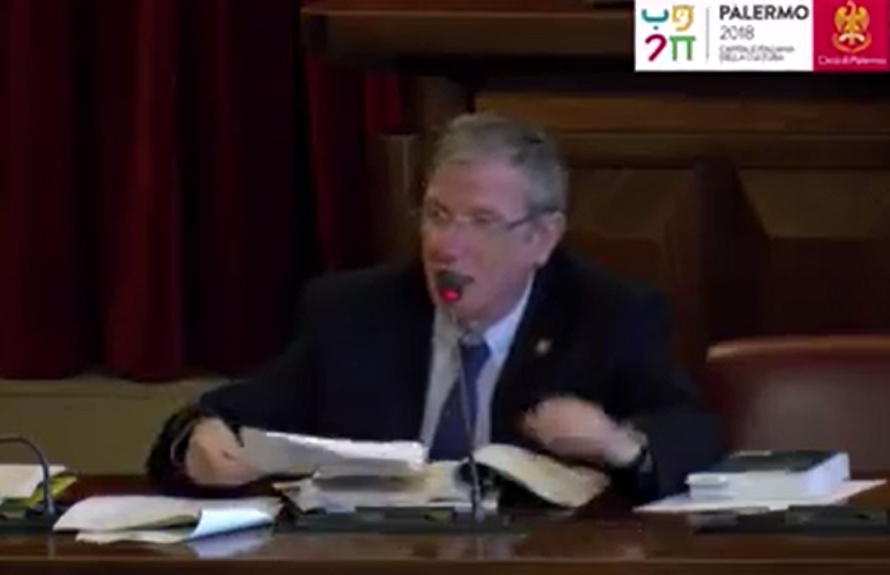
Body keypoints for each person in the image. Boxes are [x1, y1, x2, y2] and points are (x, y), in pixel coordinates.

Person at [146, 112, 725, 503]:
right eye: (437, 215)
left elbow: (696, 437)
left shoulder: (607, 313)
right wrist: (195, 441)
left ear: (542, 238)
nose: (446, 245)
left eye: (481, 221)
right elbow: (222, 414)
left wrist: (620, 444)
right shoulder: (354, 312)